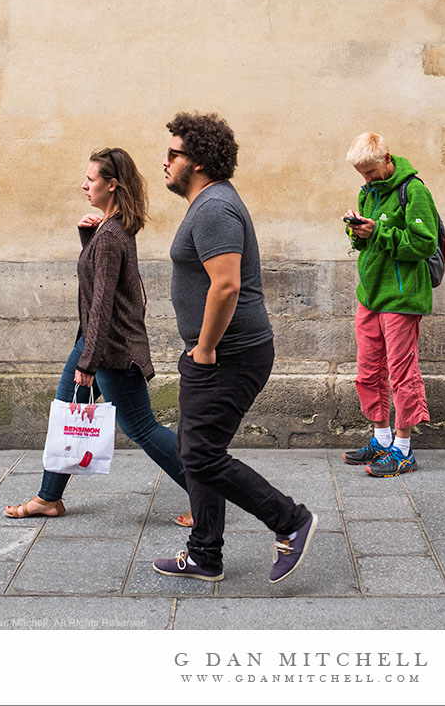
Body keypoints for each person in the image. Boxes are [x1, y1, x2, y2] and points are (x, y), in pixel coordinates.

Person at [152, 111, 317, 585]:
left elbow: (224, 286)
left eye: (173, 153)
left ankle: (290, 521)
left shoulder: (214, 209)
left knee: (201, 454)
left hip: (228, 354)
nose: (165, 162)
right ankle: (204, 553)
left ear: (199, 160)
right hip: (223, 352)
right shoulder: (207, 204)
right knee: (194, 448)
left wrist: (203, 350)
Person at [4, 146, 189, 520]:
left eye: (91, 179)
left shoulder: (111, 235)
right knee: (67, 413)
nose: (84, 185)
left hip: (108, 348)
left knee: (141, 427)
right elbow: (106, 285)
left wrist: (89, 361)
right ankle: (48, 498)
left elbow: (104, 302)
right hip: (95, 340)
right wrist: (87, 240)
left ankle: (207, 494)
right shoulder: (111, 229)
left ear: (112, 185)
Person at [341, 132, 438, 477]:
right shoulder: (368, 192)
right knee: (369, 371)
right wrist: (357, 231)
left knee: (401, 373)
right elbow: (367, 246)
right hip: (371, 294)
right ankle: (381, 439)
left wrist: (379, 233)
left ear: (386, 159)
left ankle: (404, 449)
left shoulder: (414, 191)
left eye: (370, 171)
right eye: (361, 174)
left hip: (401, 296)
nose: (365, 179)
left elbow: (424, 243)